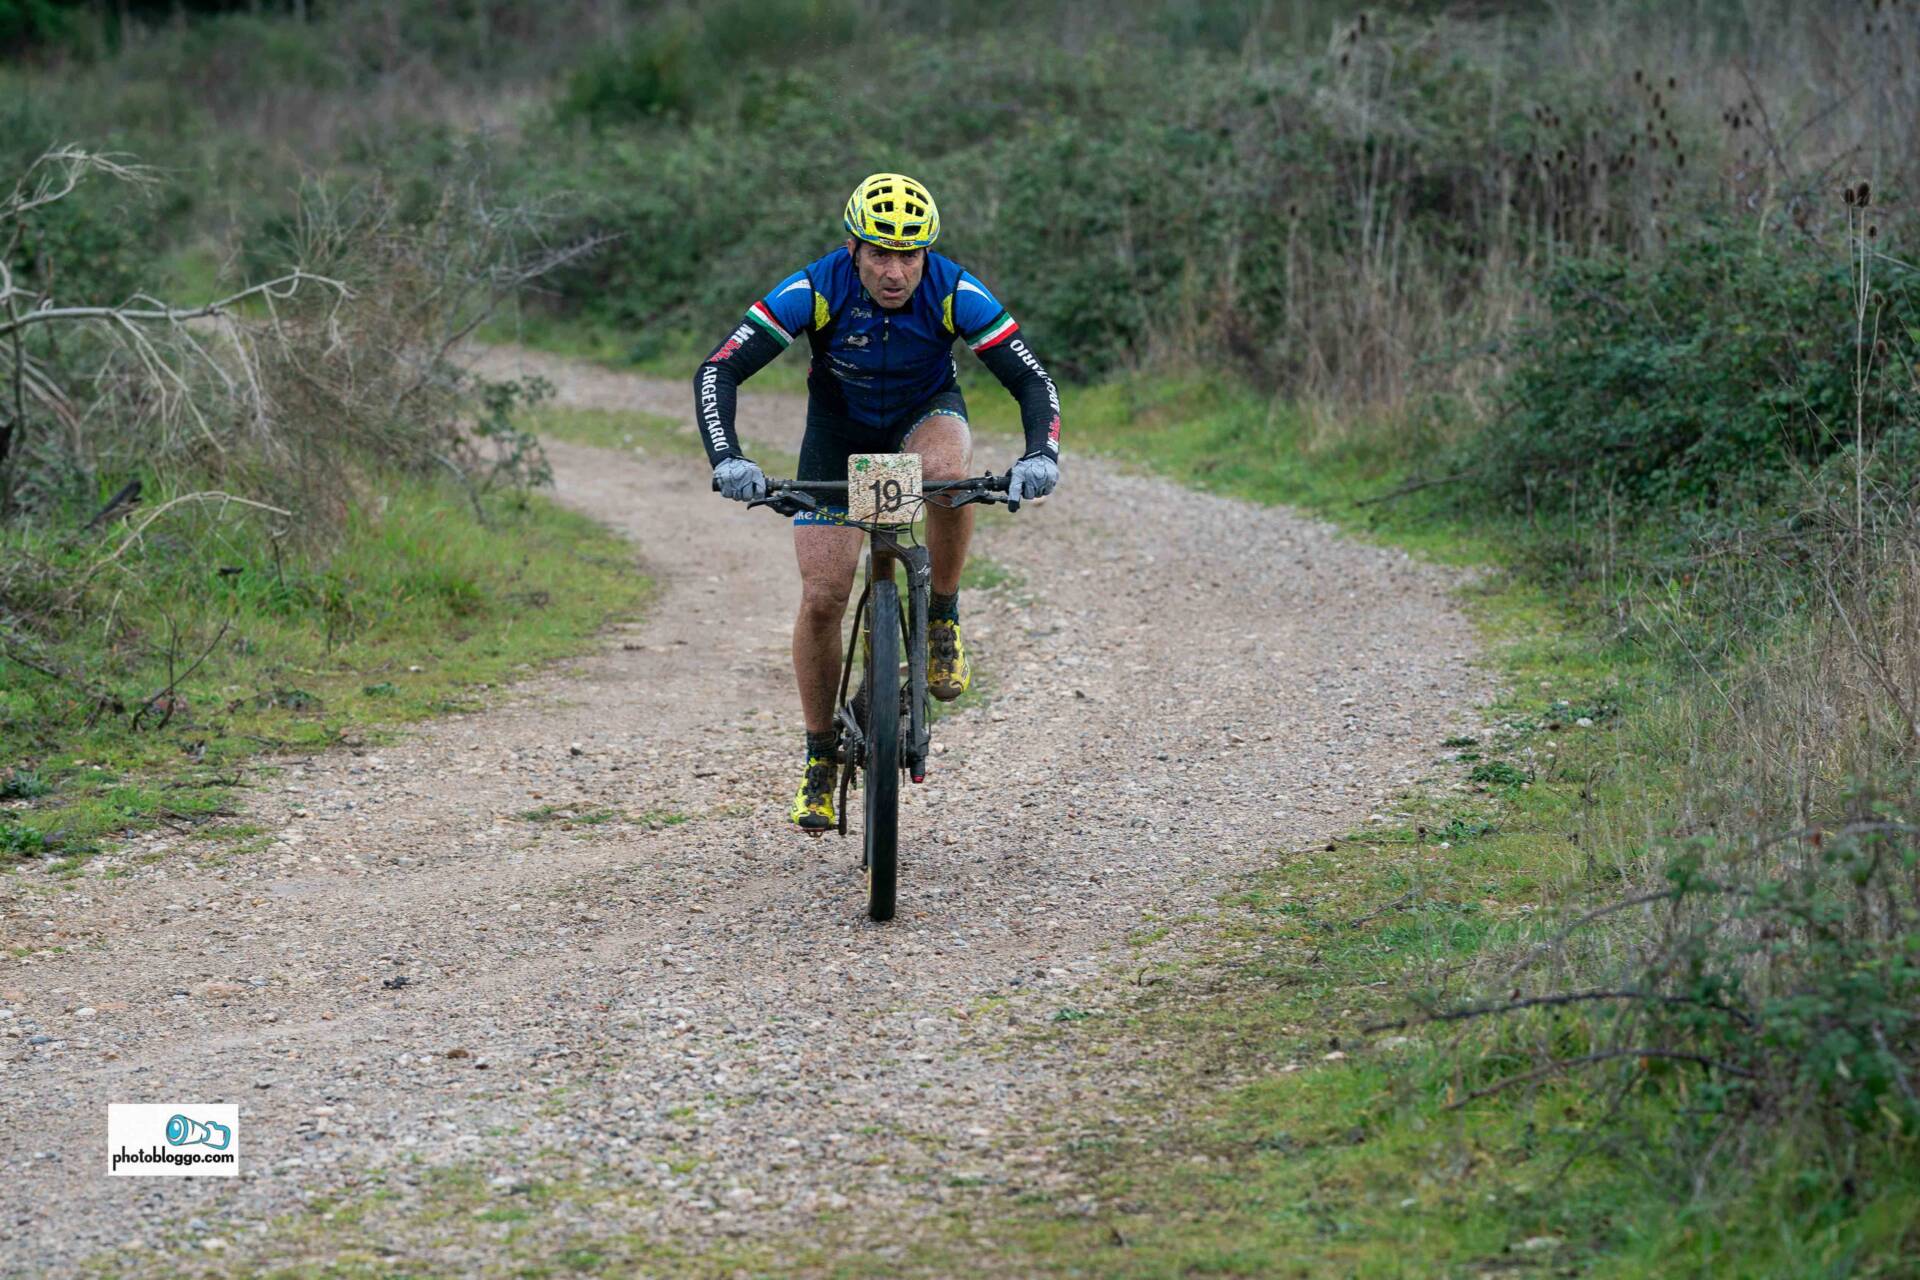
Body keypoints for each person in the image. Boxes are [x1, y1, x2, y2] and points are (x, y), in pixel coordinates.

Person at [694, 172, 1062, 833]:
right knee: (823, 596)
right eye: (879, 254)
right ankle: (820, 753)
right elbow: (720, 367)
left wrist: (1042, 454)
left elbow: (1032, 380)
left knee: (948, 475)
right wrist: (728, 459)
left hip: (925, 416)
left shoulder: (954, 290)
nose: (895, 273)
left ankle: (942, 616)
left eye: (909, 255)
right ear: (852, 248)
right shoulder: (816, 288)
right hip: (838, 435)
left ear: (927, 254)